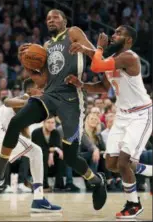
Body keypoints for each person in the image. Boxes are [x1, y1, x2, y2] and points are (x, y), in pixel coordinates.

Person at [0, 9, 107, 211]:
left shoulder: (74, 32)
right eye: (48, 18)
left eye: (55, 17)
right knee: (16, 122)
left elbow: (97, 59)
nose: (50, 20)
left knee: (70, 157)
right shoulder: (46, 46)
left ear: (64, 20)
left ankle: (96, 181)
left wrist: (84, 49)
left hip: (72, 98)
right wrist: (26, 63)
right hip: (50, 95)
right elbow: (43, 81)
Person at [65, 25, 152, 218]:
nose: (114, 35)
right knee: (111, 163)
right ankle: (146, 170)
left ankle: (134, 204)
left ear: (128, 41)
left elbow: (97, 65)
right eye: (114, 32)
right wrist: (82, 84)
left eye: (119, 33)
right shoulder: (112, 61)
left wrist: (97, 47)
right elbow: (104, 86)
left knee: (124, 162)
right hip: (122, 115)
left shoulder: (129, 57)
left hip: (140, 115)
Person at [0, 78, 61, 213]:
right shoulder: (26, 98)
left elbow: (22, 134)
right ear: (30, 90)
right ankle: (38, 198)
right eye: (40, 88)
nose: (43, 90)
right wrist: (27, 101)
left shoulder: (27, 112)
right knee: (36, 151)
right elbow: (8, 102)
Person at [32, 117, 65, 191]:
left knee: (60, 155)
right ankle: (44, 185)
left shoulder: (55, 133)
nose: (50, 125)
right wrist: (52, 150)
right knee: (43, 154)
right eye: (48, 122)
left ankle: (59, 185)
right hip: (39, 159)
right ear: (43, 123)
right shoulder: (36, 133)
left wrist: (52, 153)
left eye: (52, 123)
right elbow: (38, 148)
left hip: (52, 161)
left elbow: (58, 146)